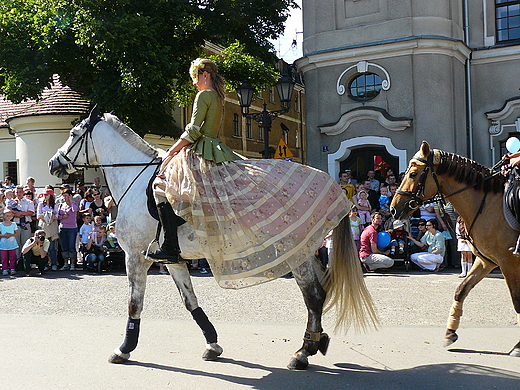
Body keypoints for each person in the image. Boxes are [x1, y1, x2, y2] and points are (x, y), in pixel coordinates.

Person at [148, 58, 349, 289]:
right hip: (215, 149)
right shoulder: (218, 97)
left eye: (195, 78)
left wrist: (171, 151)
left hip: (200, 151)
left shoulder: (204, 95)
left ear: (205, 75)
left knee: (160, 186)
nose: (194, 84)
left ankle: (171, 247)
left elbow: (193, 130)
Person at [37, 189, 59, 271]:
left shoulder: (55, 205)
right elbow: (38, 216)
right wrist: (47, 217)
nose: (45, 196)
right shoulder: (41, 204)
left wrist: (49, 218)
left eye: (47, 194)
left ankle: (54, 263)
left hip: (52, 227)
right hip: (43, 227)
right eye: (44, 195)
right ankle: (45, 264)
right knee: (43, 246)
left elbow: (56, 216)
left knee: (52, 247)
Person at [57, 189, 79, 270]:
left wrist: (71, 201)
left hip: (72, 228)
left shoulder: (74, 204)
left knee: (71, 246)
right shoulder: (61, 205)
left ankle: (72, 264)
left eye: (66, 195)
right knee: (64, 246)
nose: (64, 197)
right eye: (64, 195)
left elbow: (75, 210)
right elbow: (57, 216)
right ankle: (65, 264)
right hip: (63, 227)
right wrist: (62, 217)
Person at [0, 210, 19, 275]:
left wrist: (11, 235)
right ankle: (4, 269)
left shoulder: (13, 224)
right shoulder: (1, 225)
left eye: (10, 216)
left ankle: (12, 268)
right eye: (7, 216)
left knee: (12, 257)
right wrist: (4, 235)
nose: (9, 217)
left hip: (12, 243)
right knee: (4, 257)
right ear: (4, 216)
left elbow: (16, 233)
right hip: (3, 244)